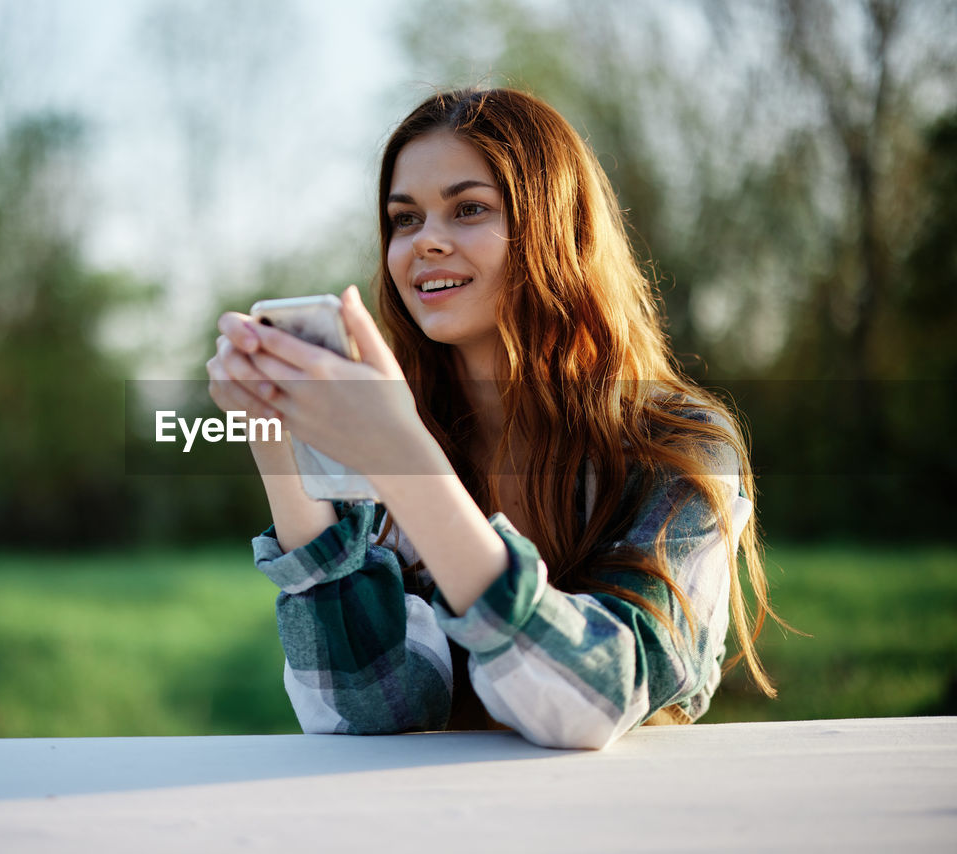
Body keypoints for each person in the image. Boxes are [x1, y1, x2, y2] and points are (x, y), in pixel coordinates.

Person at [205, 87, 781, 749]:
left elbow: (596, 700)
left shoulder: (679, 448)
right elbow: (374, 709)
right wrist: (278, 441)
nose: (425, 243)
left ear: (556, 228)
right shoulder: (390, 429)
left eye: (468, 209)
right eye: (404, 219)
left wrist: (407, 458)